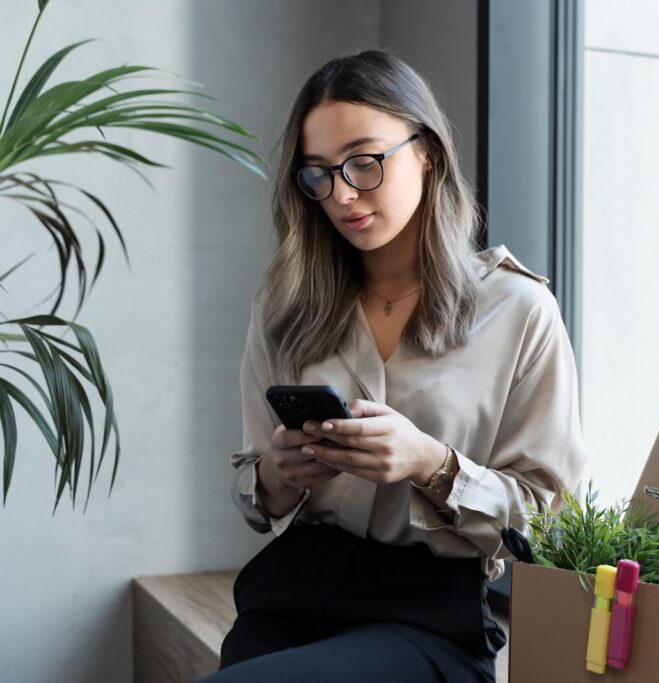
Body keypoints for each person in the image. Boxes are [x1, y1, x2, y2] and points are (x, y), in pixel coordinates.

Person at [199, 49, 588, 682]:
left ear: (428, 149)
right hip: (289, 597)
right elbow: (255, 493)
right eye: (319, 174)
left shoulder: (519, 311)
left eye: (364, 161)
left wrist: (430, 465)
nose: (342, 193)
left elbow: (550, 525)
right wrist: (279, 472)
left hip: (426, 617)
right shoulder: (284, 304)